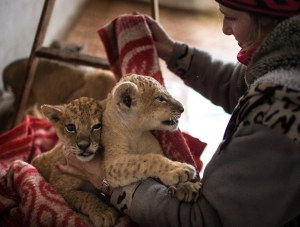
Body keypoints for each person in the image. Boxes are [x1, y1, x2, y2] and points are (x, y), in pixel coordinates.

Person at [56, 0, 300, 226]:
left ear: (268, 18)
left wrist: (108, 184)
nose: (226, 29)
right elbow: (240, 85)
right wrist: (173, 52)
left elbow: (202, 219)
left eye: (232, 17)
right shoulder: (284, 61)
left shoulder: (278, 114)